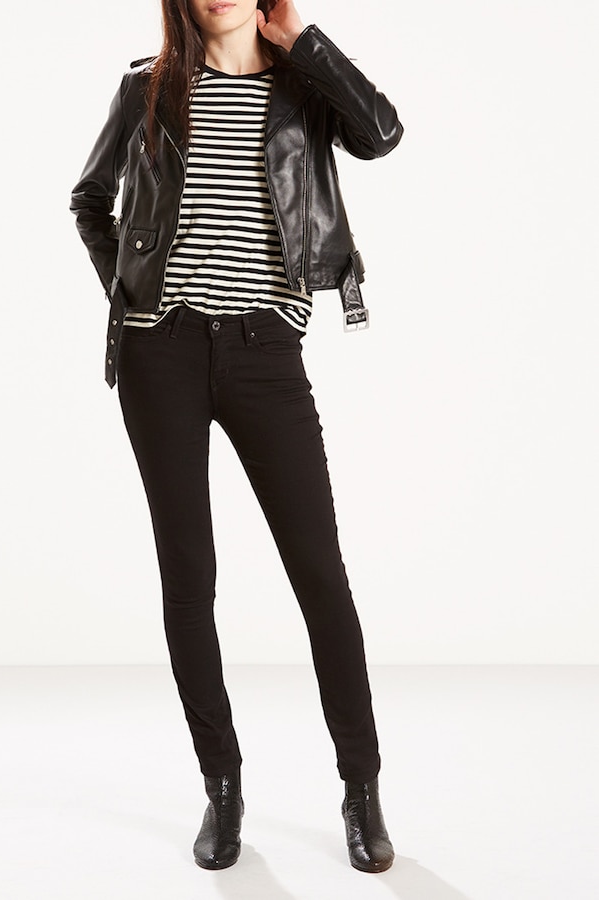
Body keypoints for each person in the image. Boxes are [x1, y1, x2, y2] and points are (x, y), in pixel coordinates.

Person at [70, 0, 403, 874]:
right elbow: (89, 200)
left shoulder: (305, 87)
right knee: (189, 578)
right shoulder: (147, 90)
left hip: (265, 353)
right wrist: (129, 292)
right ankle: (222, 787)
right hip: (162, 354)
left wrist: (304, 42)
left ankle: (361, 789)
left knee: (320, 576)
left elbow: (382, 134)